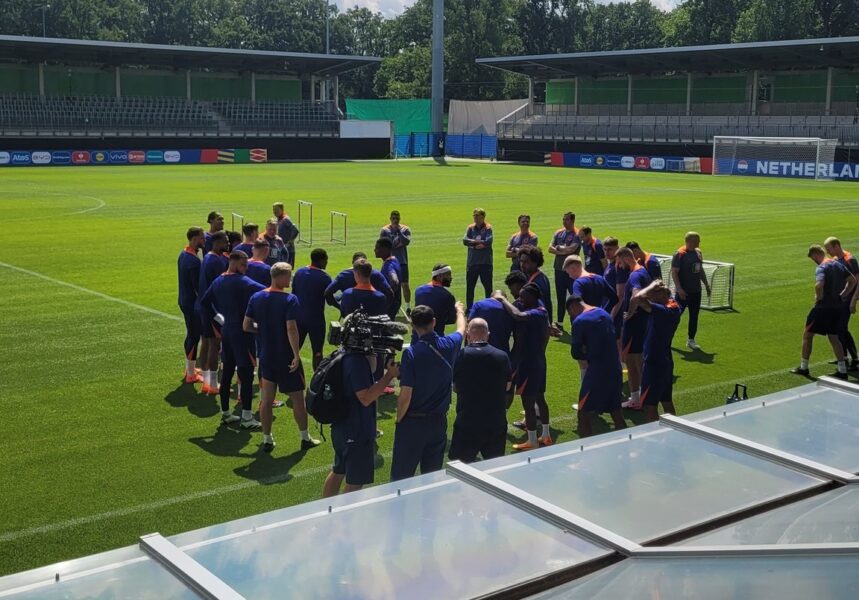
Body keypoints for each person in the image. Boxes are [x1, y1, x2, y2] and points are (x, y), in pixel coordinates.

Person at [244, 262, 320, 453]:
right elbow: (291, 328)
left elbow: (246, 325)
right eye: (288, 276)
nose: (290, 280)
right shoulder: (289, 299)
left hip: (266, 356)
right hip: (285, 357)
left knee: (266, 400)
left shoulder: (257, 297)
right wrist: (296, 354)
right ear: (279, 277)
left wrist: (262, 329)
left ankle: (267, 439)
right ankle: (304, 437)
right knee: (297, 400)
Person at [392, 303, 466, 480]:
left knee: (401, 480)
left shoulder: (411, 354)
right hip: (438, 422)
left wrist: (399, 419)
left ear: (412, 325)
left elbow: (406, 394)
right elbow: (462, 329)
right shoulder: (449, 344)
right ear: (434, 322)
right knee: (431, 479)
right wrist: (459, 310)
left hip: (412, 423)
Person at [198, 251, 266, 428]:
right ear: (234, 262)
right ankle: (247, 417)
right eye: (243, 264)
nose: (246, 268)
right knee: (246, 372)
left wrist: (217, 316)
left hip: (227, 330)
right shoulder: (242, 282)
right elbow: (265, 291)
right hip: (243, 333)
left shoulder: (219, 280)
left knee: (227, 372)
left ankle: (226, 413)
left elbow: (204, 302)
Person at [322, 353, 399, 497]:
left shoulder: (343, 354)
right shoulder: (357, 361)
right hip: (355, 429)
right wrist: (389, 376)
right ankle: (343, 518)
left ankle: (326, 513)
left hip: (342, 425)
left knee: (338, 471)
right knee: (355, 482)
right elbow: (365, 397)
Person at [492, 284, 551, 451]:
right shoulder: (541, 310)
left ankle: (532, 440)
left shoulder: (537, 312)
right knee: (540, 398)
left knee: (528, 403)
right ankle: (545, 435)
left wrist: (502, 299)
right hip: (539, 360)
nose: (520, 300)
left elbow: (517, 315)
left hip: (529, 363)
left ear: (533, 297)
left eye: (524, 297)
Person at [449, 318, 512, 463]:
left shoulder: (461, 356)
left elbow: (455, 387)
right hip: (495, 421)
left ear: (467, 334)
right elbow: (508, 387)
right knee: (494, 469)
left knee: (460, 469)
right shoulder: (502, 356)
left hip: (468, 422)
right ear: (487, 334)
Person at [791, 245, 856, 380]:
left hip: (823, 308)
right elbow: (852, 280)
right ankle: (842, 370)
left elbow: (819, 285)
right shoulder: (838, 264)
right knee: (834, 337)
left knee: (808, 335)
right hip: (837, 307)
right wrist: (843, 295)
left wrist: (819, 297)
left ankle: (804, 367)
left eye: (813, 258)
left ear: (815, 254)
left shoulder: (822, 267)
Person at [567, 295, 626, 437]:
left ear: (573, 307)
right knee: (616, 411)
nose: (572, 316)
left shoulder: (580, 321)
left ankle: (586, 451)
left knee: (583, 413)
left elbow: (576, 352)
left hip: (597, 372)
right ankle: (625, 445)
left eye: (570, 313)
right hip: (615, 369)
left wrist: (586, 353)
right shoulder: (604, 314)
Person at [627, 280, 681, 423]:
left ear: (663, 294)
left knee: (649, 405)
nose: (650, 297)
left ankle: (656, 436)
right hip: (665, 360)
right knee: (666, 400)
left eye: (653, 294)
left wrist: (651, 286)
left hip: (654, 363)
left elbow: (638, 298)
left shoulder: (665, 311)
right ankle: (676, 431)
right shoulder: (672, 306)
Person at [616, 247, 653, 410]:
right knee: (638, 360)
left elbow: (636, 295)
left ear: (625, 258)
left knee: (632, 362)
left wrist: (630, 313)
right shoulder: (643, 271)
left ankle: (636, 400)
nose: (619, 265)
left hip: (634, 325)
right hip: (642, 323)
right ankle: (641, 396)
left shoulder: (635, 275)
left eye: (619, 262)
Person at [196, 231, 229, 395]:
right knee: (214, 345)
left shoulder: (209, 258)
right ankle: (213, 385)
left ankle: (206, 381)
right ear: (217, 242)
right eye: (225, 241)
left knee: (208, 343)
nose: (227, 244)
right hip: (213, 310)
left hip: (205, 307)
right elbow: (218, 287)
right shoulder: (214, 261)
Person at [292, 248, 332, 370]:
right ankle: (317, 382)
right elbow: (330, 300)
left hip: (298, 317)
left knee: (293, 349)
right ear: (321, 261)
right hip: (316, 321)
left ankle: (286, 375)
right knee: (317, 352)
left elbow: (294, 293)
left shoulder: (299, 272)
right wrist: (341, 305)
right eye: (326, 260)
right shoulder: (325, 278)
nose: (326, 263)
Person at [671, 232, 711, 350]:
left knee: (694, 316)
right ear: (690, 241)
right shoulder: (680, 254)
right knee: (676, 316)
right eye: (697, 240)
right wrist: (679, 289)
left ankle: (691, 340)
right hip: (683, 292)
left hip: (696, 291)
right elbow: (674, 273)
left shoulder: (698, 252)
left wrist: (706, 284)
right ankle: (668, 337)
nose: (699, 242)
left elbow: (700, 270)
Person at [824, 236, 859, 369]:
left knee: (841, 328)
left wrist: (853, 301)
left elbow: (857, 281)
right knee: (839, 328)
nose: (828, 252)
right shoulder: (836, 259)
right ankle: (843, 357)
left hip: (848, 299)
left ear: (837, 246)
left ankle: (855, 359)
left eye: (829, 249)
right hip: (840, 299)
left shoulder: (850, 259)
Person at [178, 227, 205, 384]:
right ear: (194, 239)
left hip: (184, 300)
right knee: (194, 336)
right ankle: (190, 374)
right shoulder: (194, 261)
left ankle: (190, 368)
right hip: (192, 304)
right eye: (202, 238)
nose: (204, 240)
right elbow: (198, 288)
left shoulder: (184, 254)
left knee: (191, 334)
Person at [324, 251, 393, 311]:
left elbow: (328, 293)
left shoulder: (343, 276)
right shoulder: (377, 275)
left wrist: (340, 308)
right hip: (373, 314)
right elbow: (389, 293)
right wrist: (384, 309)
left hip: (351, 315)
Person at [548, 212, 580, 330]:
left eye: (566, 220)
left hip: (572, 271)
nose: (564, 222)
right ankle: (560, 323)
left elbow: (572, 249)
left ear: (572, 221)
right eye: (563, 219)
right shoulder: (558, 232)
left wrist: (559, 248)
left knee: (575, 297)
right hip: (559, 269)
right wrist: (563, 251)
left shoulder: (577, 234)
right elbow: (550, 248)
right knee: (560, 297)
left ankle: (576, 322)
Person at [380, 211, 413, 313]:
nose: (395, 220)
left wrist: (399, 232)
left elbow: (406, 242)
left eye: (397, 218)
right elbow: (384, 245)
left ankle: (407, 306)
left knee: (405, 284)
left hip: (402, 261)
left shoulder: (405, 229)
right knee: (390, 284)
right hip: (389, 262)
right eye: (393, 218)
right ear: (390, 218)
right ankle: (392, 305)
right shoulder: (385, 230)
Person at [463, 208, 494, 310]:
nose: (475, 218)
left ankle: (489, 307)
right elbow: (464, 240)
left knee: (488, 288)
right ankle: (469, 309)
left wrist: (473, 243)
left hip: (485, 263)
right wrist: (477, 243)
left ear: (483, 217)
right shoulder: (470, 228)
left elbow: (489, 241)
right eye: (474, 216)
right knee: (470, 288)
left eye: (477, 216)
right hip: (472, 263)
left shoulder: (488, 228)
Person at [414, 264, 457, 335]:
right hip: (436, 337)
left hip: (417, 337)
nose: (451, 278)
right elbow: (452, 320)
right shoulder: (447, 296)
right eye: (448, 275)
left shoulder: (418, 291)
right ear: (439, 276)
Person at [518, 245, 553, 323]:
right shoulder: (537, 276)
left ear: (535, 262)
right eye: (521, 261)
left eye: (526, 262)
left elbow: (543, 306)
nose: (522, 265)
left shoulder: (538, 282)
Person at [375, 237, 402, 320]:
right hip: (395, 302)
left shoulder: (389, 265)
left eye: (377, 248)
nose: (375, 250)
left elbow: (394, 281)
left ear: (385, 249)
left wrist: (388, 298)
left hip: (390, 304)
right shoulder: (394, 260)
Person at [273, 202, 300, 268]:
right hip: (281, 249)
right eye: (273, 210)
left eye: (277, 209)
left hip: (288, 250)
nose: (275, 212)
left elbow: (295, 230)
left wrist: (290, 241)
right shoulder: (278, 219)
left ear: (282, 210)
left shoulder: (285, 219)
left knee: (287, 269)